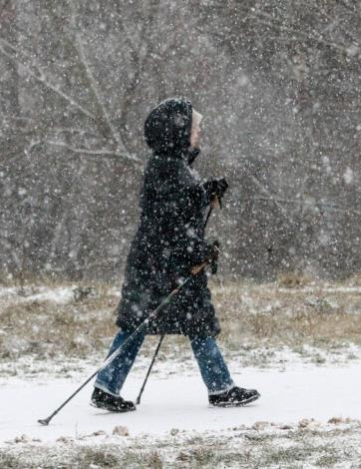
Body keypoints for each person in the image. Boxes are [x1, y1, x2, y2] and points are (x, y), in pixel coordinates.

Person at [91, 98, 260, 412]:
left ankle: (107, 385)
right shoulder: (169, 168)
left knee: (145, 322)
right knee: (182, 323)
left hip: (158, 263)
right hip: (164, 265)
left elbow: (181, 206)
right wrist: (199, 250)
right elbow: (171, 223)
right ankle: (220, 388)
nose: (199, 132)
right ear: (177, 131)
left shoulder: (172, 165)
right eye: (195, 127)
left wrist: (205, 192)